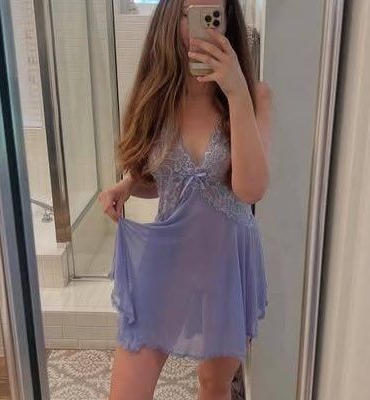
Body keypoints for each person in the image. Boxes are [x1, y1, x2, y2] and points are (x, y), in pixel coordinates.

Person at [98, 0, 272, 399]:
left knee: (213, 385)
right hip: (168, 255)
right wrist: (127, 185)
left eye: (214, 14)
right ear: (169, 19)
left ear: (228, 21)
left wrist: (237, 92)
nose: (204, 27)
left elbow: (250, 189)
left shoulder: (255, 97)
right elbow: (161, 178)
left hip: (227, 263)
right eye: (191, 14)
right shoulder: (156, 96)